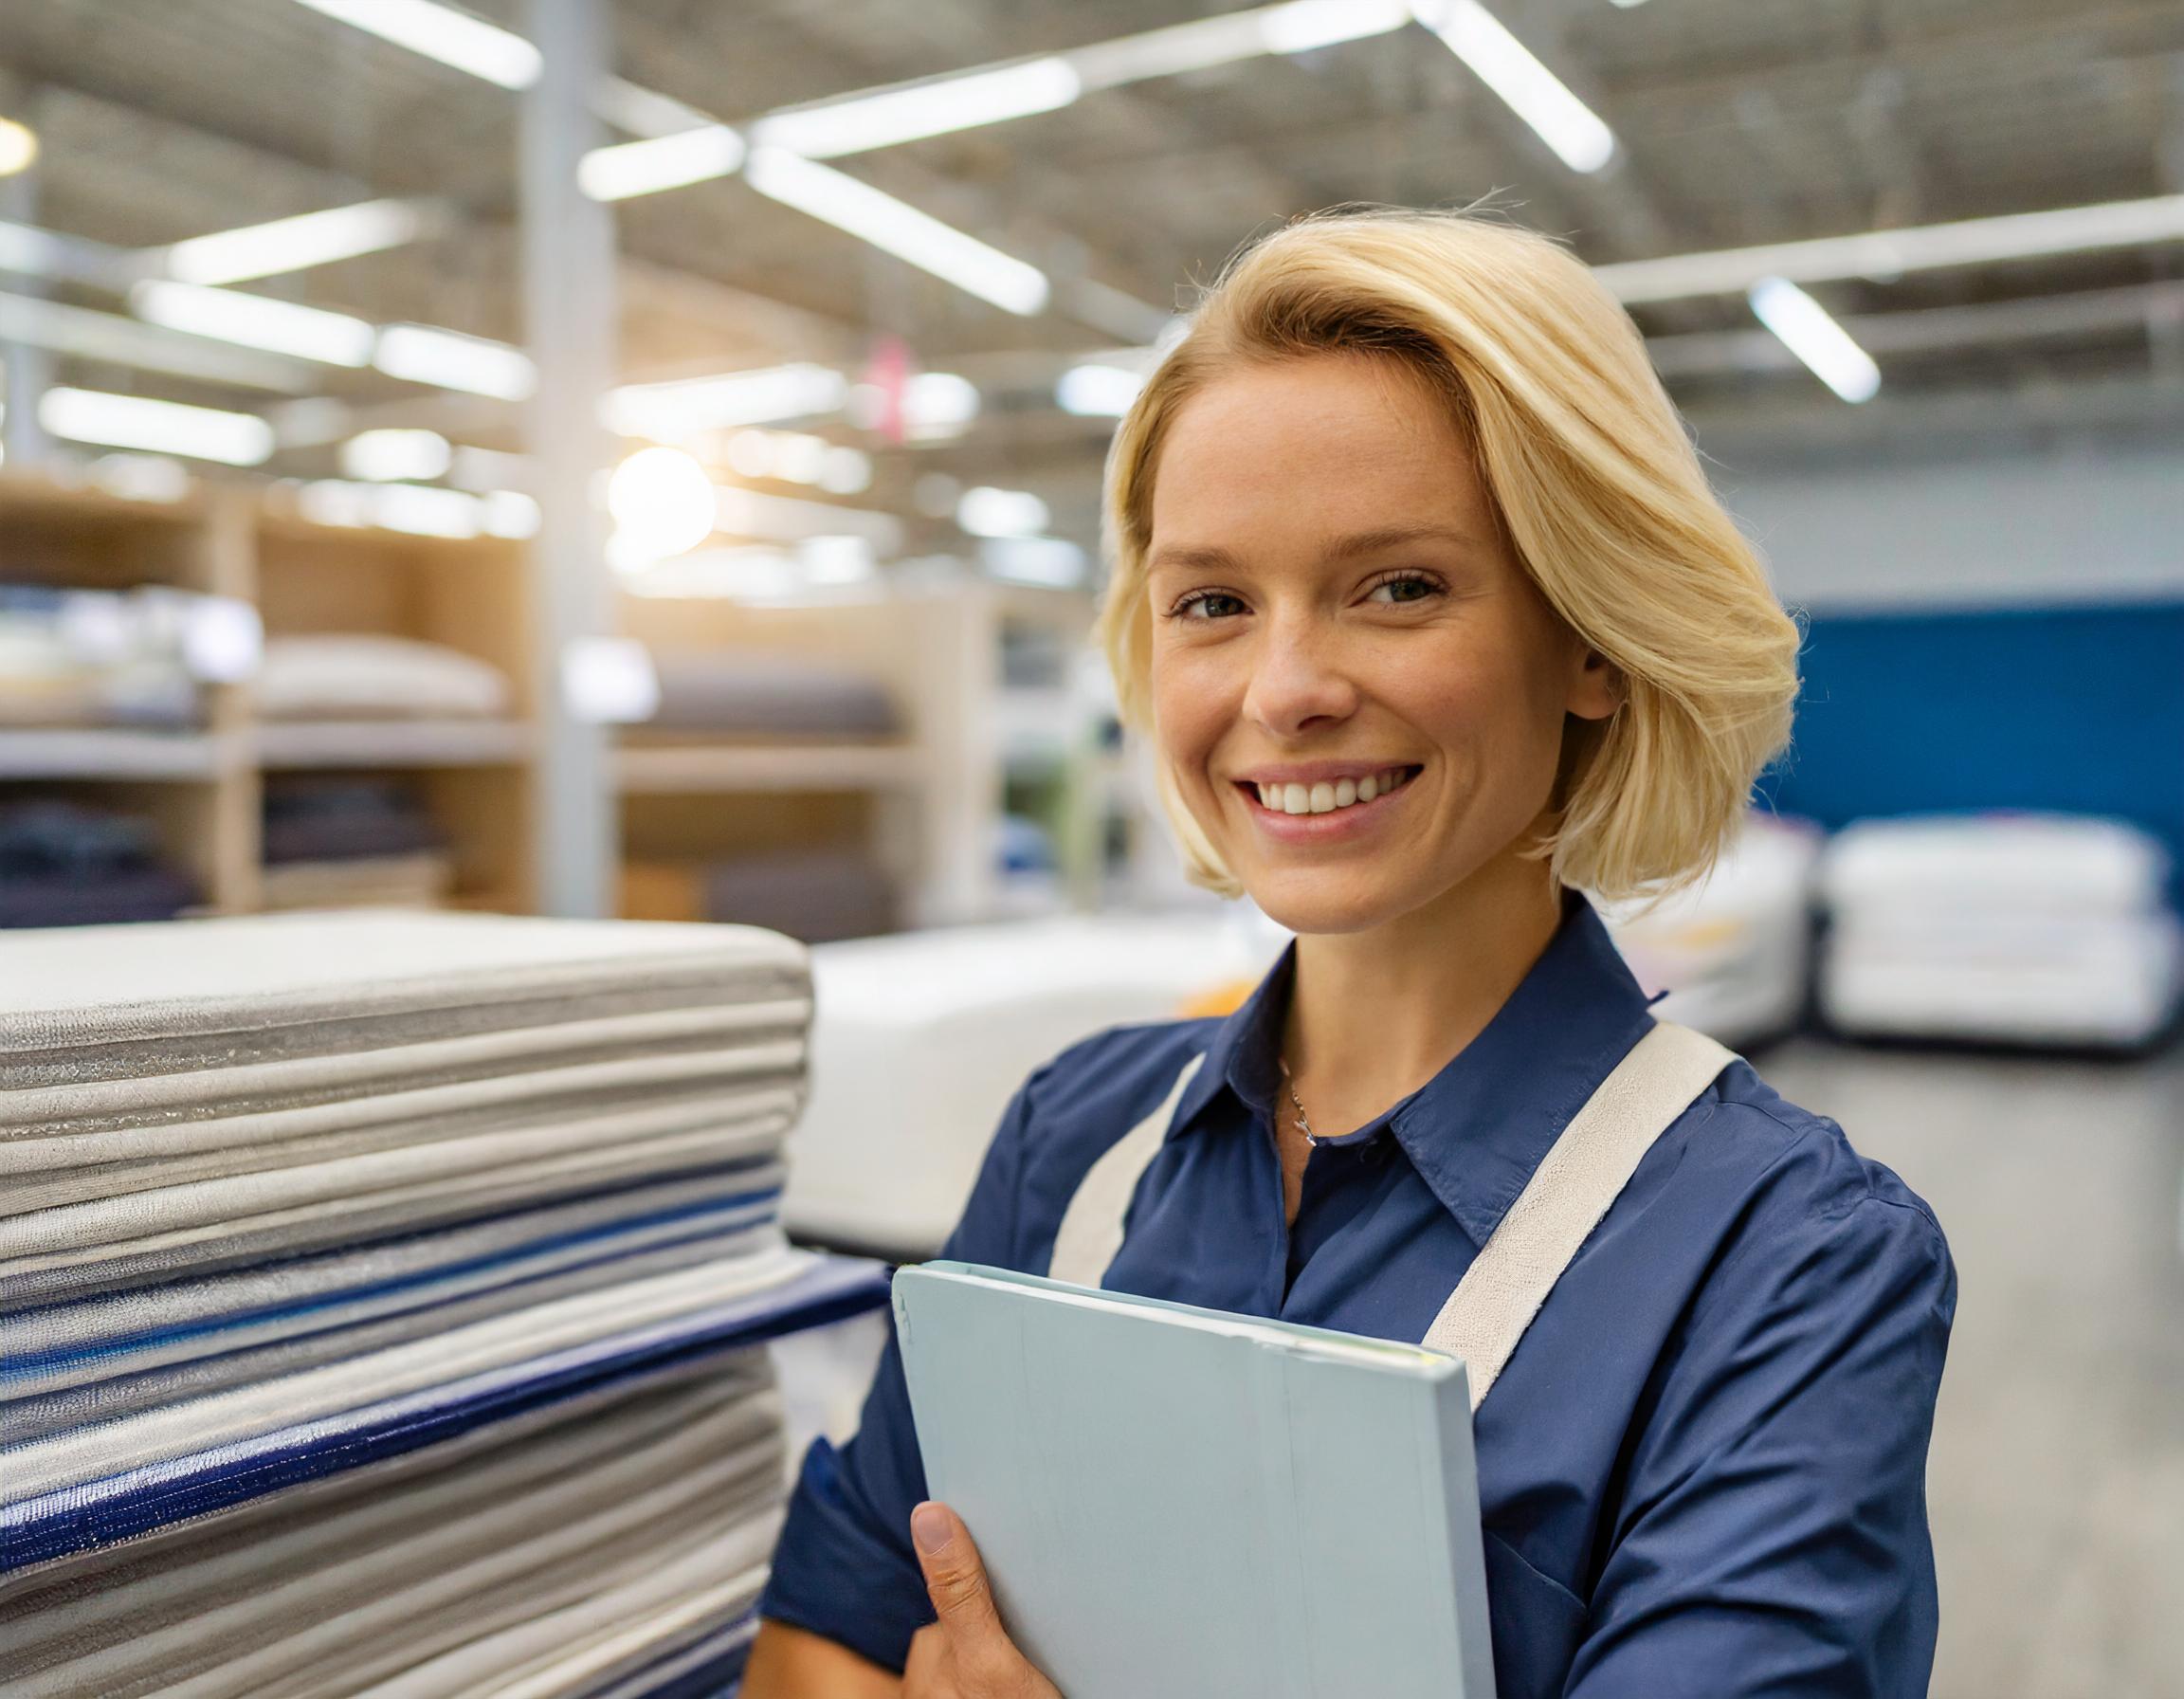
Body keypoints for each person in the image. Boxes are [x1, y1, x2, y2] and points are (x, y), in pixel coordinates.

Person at [744, 209, 1954, 1699]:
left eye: (1398, 587)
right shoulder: (1076, 1141)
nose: (1289, 688)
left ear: (1590, 636)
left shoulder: (1785, 1262)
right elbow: (815, 1648)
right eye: (1214, 603)